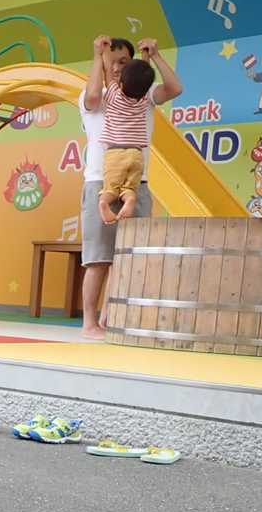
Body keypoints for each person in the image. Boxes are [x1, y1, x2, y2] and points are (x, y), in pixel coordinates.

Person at [78, 35, 183, 340]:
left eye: (123, 62)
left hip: (137, 183)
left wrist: (155, 56)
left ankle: (111, 319)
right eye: (111, 62)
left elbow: (174, 88)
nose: (116, 68)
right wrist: (97, 56)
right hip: (100, 181)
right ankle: (89, 322)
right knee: (99, 259)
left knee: (127, 259)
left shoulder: (142, 95)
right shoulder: (97, 94)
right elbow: (93, 97)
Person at [86, 42, 156, 225]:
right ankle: (130, 199)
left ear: (122, 82)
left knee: (110, 188)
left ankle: (103, 203)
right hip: (136, 155)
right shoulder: (142, 100)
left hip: (115, 153)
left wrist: (102, 53)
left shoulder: (114, 96)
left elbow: (109, 75)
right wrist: (146, 55)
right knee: (129, 187)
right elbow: (143, 74)